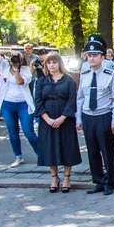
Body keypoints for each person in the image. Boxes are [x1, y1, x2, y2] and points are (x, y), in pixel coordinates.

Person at [76, 39, 114, 196]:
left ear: (102, 57)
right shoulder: (85, 74)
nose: (92, 58)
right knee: (92, 150)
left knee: (106, 150)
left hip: (104, 115)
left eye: (95, 55)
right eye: (89, 55)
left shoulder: (110, 75)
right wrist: (79, 118)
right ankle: (98, 181)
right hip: (88, 116)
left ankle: (109, 182)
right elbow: (80, 98)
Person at [34, 52, 82, 193]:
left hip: (64, 119)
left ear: (59, 63)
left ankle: (67, 177)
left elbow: (72, 100)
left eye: (54, 62)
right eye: (49, 63)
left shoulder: (69, 80)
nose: (52, 65)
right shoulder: (41, 81)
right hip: (47, 119)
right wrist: (47, 118)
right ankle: (54, 177)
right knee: (50, 147)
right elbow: (37, 101)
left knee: (66, 146)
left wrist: (63, 117)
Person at [0, 49, 38, 168]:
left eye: (18, 57)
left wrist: (16, 69)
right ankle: (18, 156)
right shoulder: (4, 65)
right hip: (7, 104)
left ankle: (41, 153)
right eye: (14, 57)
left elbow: (20, 82)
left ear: (22, 59)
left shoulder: (26, 70)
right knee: (13, 133)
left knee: (29, 132)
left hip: (23, 104)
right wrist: (11, 51)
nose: (15, 59)